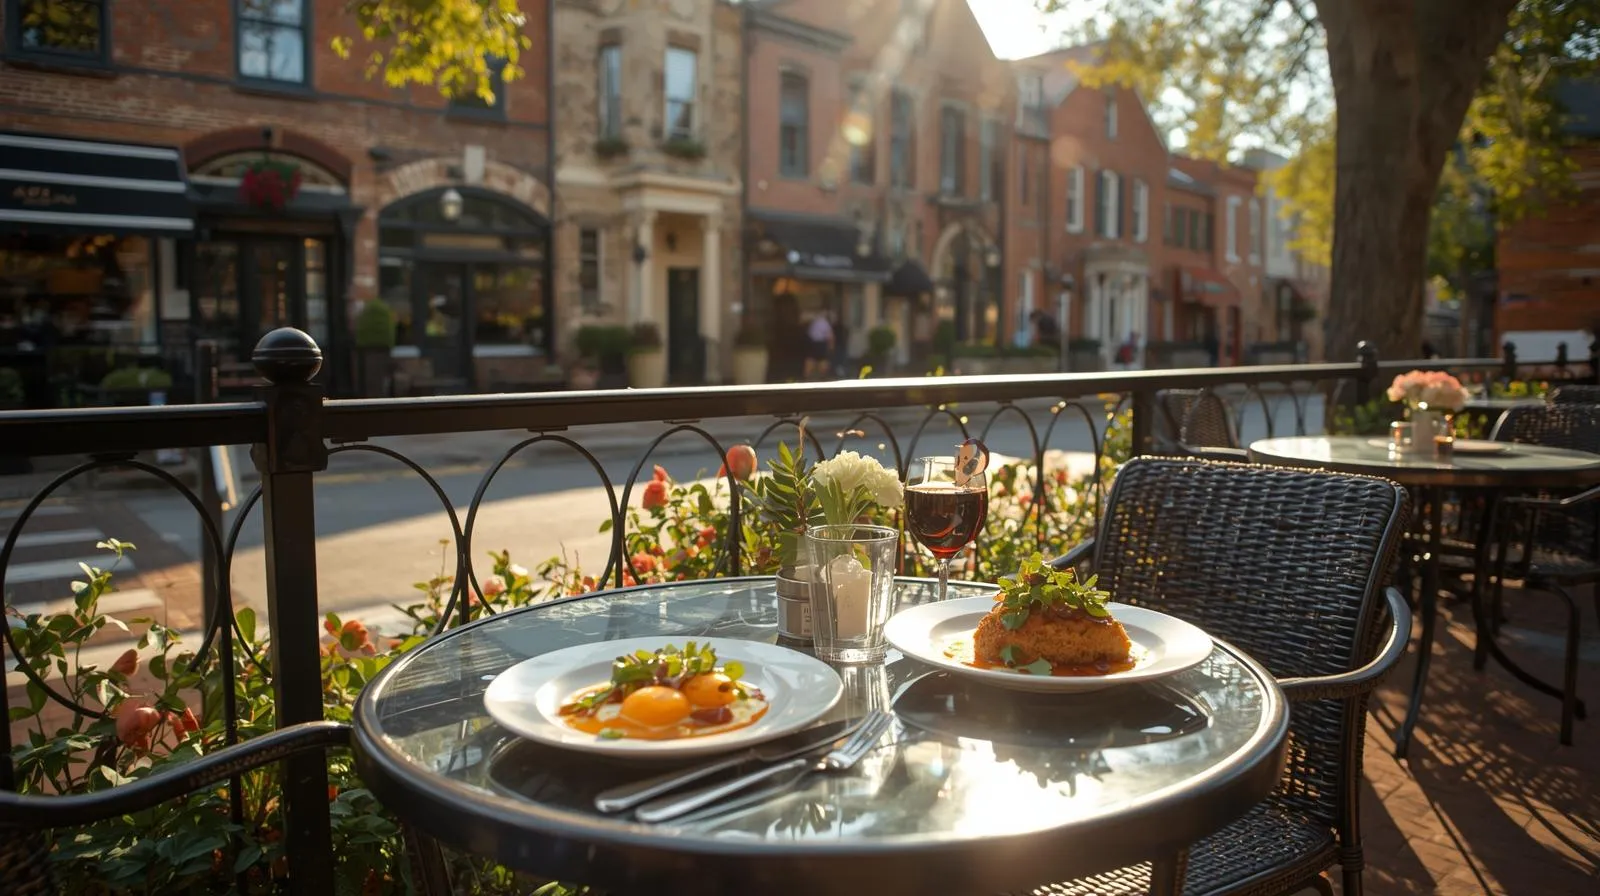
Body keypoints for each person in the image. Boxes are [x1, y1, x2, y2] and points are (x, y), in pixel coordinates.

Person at [805, 312, 834, 379]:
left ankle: (807, 376)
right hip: (820, 344)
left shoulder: (815, 322)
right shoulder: (825, 323)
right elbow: (830, 336)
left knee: (811, 360)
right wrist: (831, 347)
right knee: (822, 360)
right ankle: (822, 376)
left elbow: (809, 334)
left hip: (813, 343)